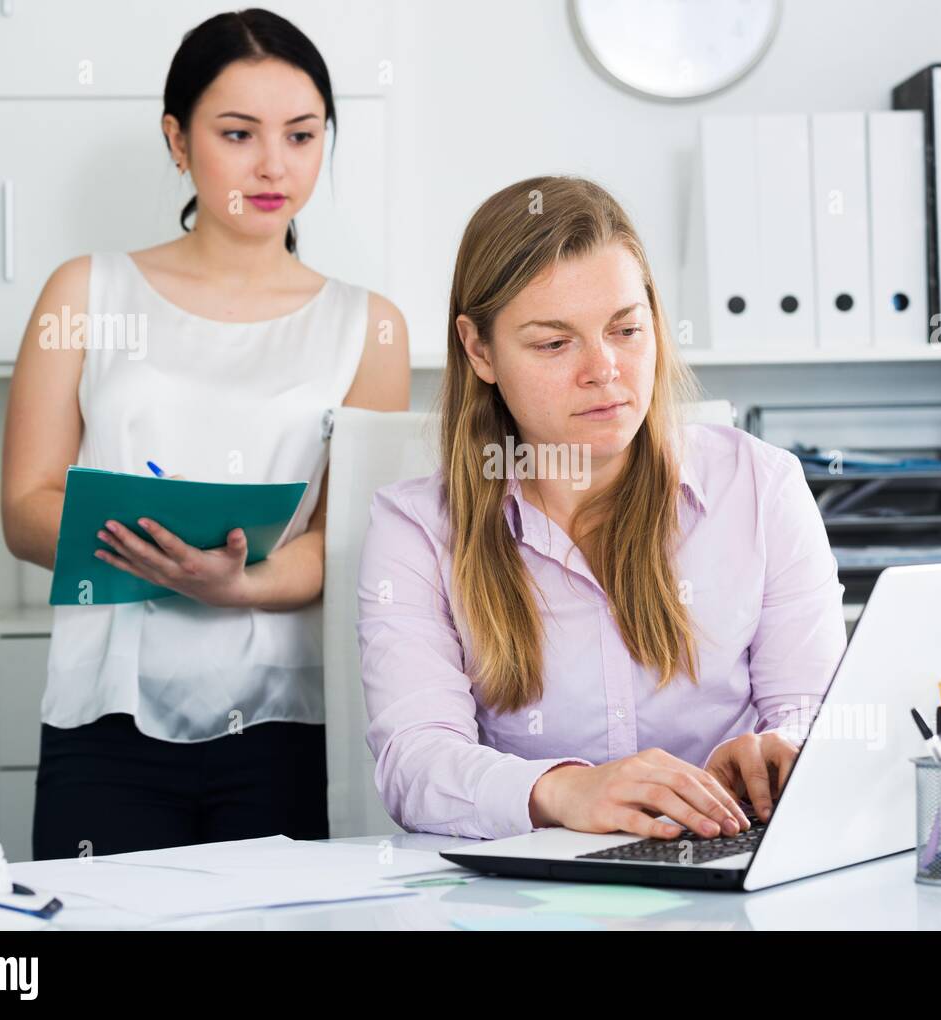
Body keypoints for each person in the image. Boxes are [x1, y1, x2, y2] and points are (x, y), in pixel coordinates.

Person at [2, 9, 409, 859]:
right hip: (105, 716)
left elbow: (350, 540)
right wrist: (153, 549)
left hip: (285, 720)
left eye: (301, 135)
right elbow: (25, 508)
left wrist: (237, 585)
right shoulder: (85, 291)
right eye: (237, 133)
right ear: (178, 142)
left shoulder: (367, 325)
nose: (273, 165)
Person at [357, 175, 845, 842]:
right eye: (554, 343)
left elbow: (816, 711)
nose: (604, 369)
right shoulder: (416, 529)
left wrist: (783, 747)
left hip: (731, 864)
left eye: (626, 329)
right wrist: (563, 790)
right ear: (479, 350)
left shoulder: (762, 487)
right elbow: (415, 763)